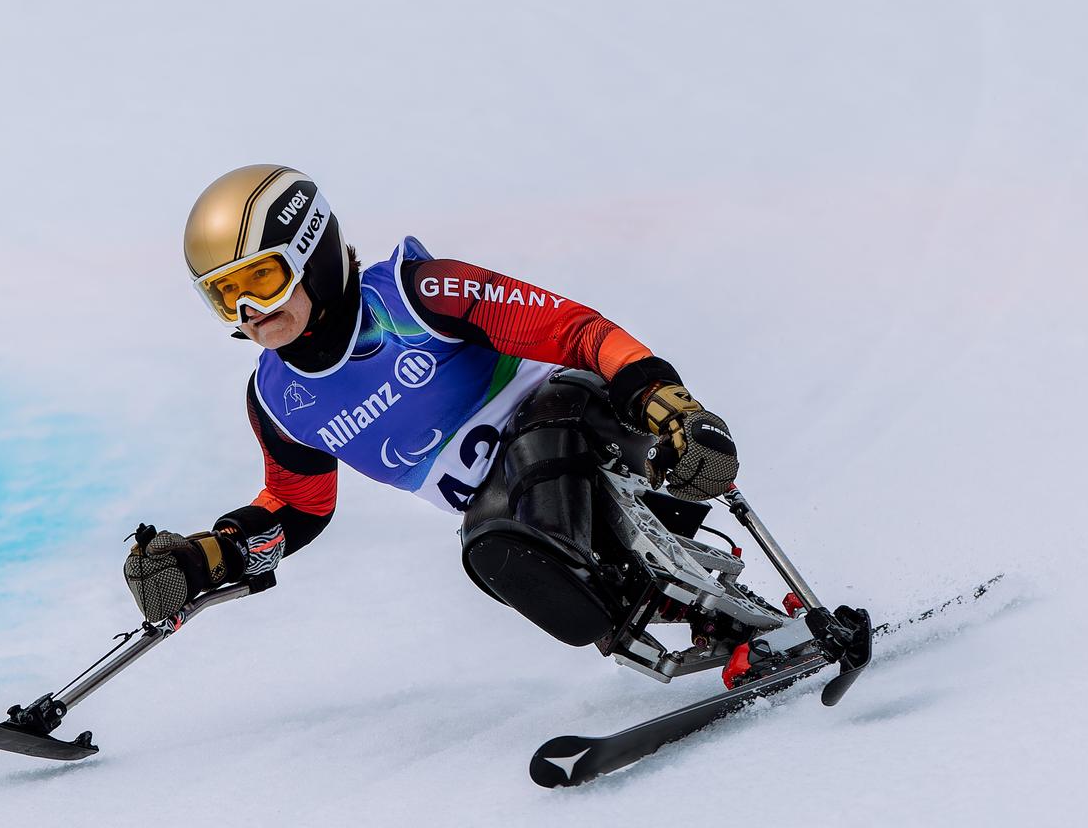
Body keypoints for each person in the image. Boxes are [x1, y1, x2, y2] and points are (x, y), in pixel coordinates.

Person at [123, 165, 740, 649]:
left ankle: (651, 583)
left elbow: (577, 332)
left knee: (532, 469)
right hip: (530, 517)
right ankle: (700, 622)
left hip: (603, 438)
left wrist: (669, 403)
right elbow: (297, 506)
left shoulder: (416, 296)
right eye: (224, 295)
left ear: (311, 254)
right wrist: (212, 555)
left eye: (261, 281)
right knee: (490, 543)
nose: (249, 312)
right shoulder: (280, 401)